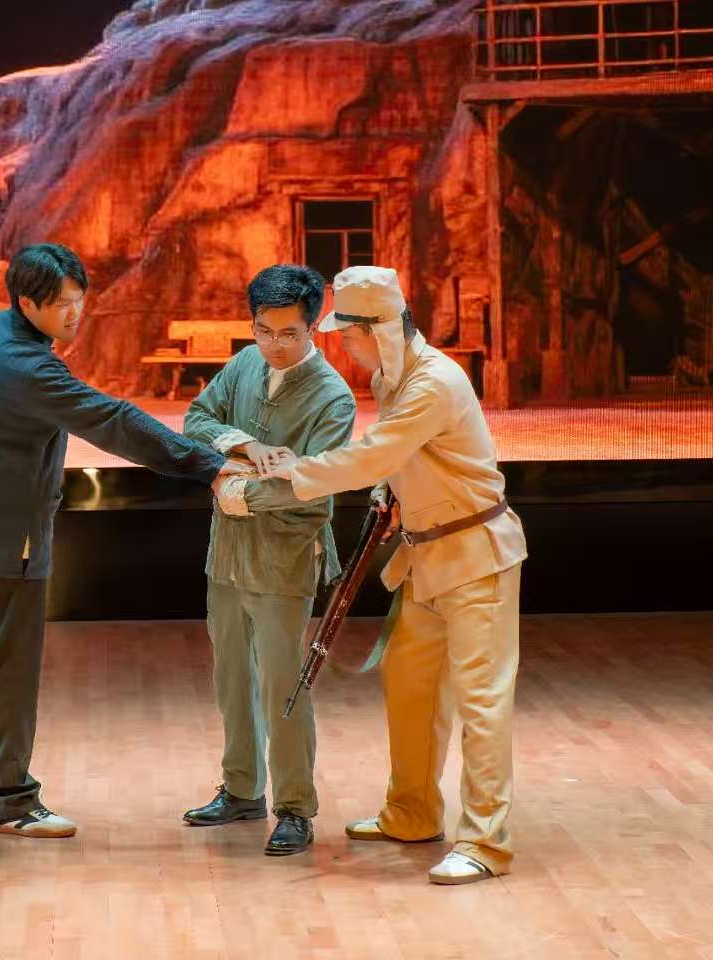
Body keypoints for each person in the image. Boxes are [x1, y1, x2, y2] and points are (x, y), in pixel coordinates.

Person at [0, 243, 233, 838]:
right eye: (61, 304)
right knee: (6, 665)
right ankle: (12, 800)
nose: (74, 314)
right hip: (8, 539)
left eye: (79, 301)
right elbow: (113, 421)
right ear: (28, 303)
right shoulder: (29, 367)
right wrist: (205, 464)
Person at [218, 266, 527, 885]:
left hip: (476, 557)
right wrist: (391, 489)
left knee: (481, 701)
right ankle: (411, 814)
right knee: (410, 688)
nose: (346, 348)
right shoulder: (394, 377)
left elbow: (371, 455)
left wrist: (281, 477)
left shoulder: (432, 382)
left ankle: (485, 842)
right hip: (424, 558)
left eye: (350, 335)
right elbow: (400, 459)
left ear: (377, 330)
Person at [181, 265, 356, 856]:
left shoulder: (332, 397)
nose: (274, 345)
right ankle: (240, 789)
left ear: (313, 329)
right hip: (227, 554)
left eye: (289, 334)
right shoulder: (243, 364)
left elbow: (311, 486)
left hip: (285, 559)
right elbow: (197, 419)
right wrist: (246, 446)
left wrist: (235, 491)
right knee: (231, 676)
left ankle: (295, 808)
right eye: (264, 331)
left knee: (284, 685)